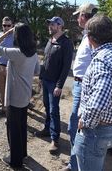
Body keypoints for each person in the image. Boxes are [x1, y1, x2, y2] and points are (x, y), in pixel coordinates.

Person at [73, 15, 112, 171]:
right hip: (108, 128)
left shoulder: (102, 61)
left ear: (90, 38)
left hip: (94, 132)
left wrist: (85, 122)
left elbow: (97, 104)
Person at [0, 23, 40, 168]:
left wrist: (6, 33)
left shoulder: (16, 53)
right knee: (22, 126)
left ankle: (15, 161)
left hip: (14, 97)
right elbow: (37, 71)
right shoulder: (33, 53)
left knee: (13, 128)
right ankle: (22, 153)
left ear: (17, 36)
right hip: (25, 95)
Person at [63, 3, 98, 171]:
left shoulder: (94, 38)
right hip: (79, 84)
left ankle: (77, 164)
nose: (77, 18)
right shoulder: (87, 36)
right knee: (75, 126)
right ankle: (75, 163)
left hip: (85, 85)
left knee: (76, 126)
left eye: (79, 15)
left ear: (85, 16)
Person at [36, 16, 74, 154]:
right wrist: (40, 77)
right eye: (49, 24)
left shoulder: (66, 43)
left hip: (54, 84)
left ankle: (55, 139)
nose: (49, 26)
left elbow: (66, 68)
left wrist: (59, 85)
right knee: (46, 106)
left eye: (52, 24)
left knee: (53, 110)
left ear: (59, 26)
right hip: (45, 80)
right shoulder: (50, 41)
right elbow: (45, 61)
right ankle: (47, 129)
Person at [0, 16, 14, 115]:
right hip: (0, 66)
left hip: (11, 67)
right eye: (4, 25)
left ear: (12, 26)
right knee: (1, 88)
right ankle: (3, 108)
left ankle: (12, 111)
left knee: (11, 90)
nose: (6, 27)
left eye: (8, 25)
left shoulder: (15, 36)